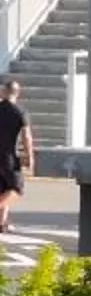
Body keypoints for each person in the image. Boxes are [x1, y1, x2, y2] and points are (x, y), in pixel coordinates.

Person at [0, 79, 26, 233]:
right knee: (17, 188)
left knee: (4, 188)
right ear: (18, 93)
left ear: (4, 92)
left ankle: (2, 223)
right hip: (8, 157)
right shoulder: (19, 111)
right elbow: (27, 137)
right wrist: (30, 156)